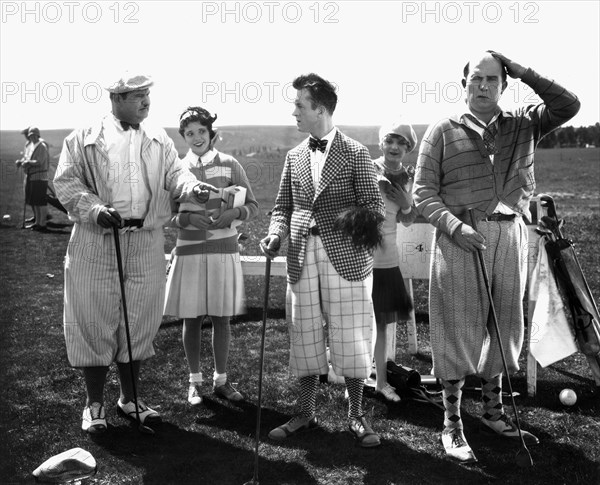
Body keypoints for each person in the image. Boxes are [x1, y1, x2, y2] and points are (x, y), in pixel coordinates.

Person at [413, 51, 580, 462]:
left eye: (493, 79)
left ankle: (492, 411)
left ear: (505, 85)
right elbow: (422, 194)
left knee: (505, 327)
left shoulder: (523, 124)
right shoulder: (442, 130)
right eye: (476, 79)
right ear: (464, 84)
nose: (483, 86)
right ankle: (452, 425)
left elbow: (568, 104)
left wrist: (521, 69)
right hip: (459, 238)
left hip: (510, 234)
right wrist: (455, 227)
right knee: (456, 330)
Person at [54, 73, 218, 434]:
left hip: (145, 239)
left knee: (139, 320)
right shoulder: (83, 138)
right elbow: (65, 182)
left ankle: (130, 399)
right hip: (96, 239)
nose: (146, 101)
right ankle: (94, 405)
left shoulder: (158, 138)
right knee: (92, 319)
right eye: (137, 95)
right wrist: (94, 208)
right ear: (116, 97)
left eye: (147, 94)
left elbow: (176, 176)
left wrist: (194, 187)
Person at [260, 73, 386, 448]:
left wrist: (337, 223)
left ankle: (356, 415)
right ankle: (305, 412)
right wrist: (275, 234)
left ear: (321, 109)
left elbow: (374, 206)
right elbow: (283, 207)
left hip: (345, 257)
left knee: (351, 338)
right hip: (301, 257)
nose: (294, 111)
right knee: (306, 336)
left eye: (300, 105)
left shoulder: (356, 152)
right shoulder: (294, 155)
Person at [164, 107, 259, 406]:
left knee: (221, 317)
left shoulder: (231, 164)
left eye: (201, 131)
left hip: (223, 250)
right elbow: (166, 214)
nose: (196, 138)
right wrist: (188, 220)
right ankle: (194, 382)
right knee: (191, 319)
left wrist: (234, 212)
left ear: (211, 133)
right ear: (183, 138)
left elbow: (253, 205)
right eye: (189, 133)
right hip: (189, 250)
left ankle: (222, 380)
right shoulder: (177, 169)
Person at [371, 122, 418, 402]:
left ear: (408, 148)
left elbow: (408, 219)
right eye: (390, 141)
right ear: (382, 143)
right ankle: (350, 377)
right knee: (354, 320)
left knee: (380, 324)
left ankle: (381, 383)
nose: (395, 148)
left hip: (387, 258)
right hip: (360, 254)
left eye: (402, 143)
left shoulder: (409, 177)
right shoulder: (368, 167)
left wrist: (407, 202)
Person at [16, 127, 49, 231]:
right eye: (30, 136)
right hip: (32, 176)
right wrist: (22, 161)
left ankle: (42, 224)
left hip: (39, 177)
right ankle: (37, 222)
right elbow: (27, 157)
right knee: (35, 201)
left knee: (40, 201)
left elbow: (39, 162)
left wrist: (28, 163)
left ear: (38, 135)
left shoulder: (42, 146)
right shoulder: (31, 145)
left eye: (34, 135)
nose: (32, 137)